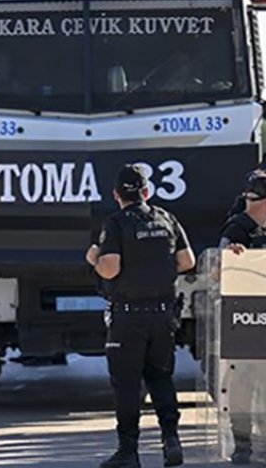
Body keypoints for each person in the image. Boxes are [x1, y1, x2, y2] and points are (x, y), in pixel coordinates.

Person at [84, 164, 194, 468]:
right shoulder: (166, 218)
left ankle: (128, 452)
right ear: (146, 192)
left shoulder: (116, 223)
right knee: (160, 377)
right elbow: (187, 261)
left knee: (127, 384)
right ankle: (171, 440)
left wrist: (93, 258)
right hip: (163, 316)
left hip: (129, 318)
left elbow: (110, 268)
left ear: (116, 194)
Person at [217, 173, 266, 465]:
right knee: (243, 386)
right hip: (245, 320)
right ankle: (242, 445)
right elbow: (216, 271)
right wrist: (231, 258)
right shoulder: (237, 229)